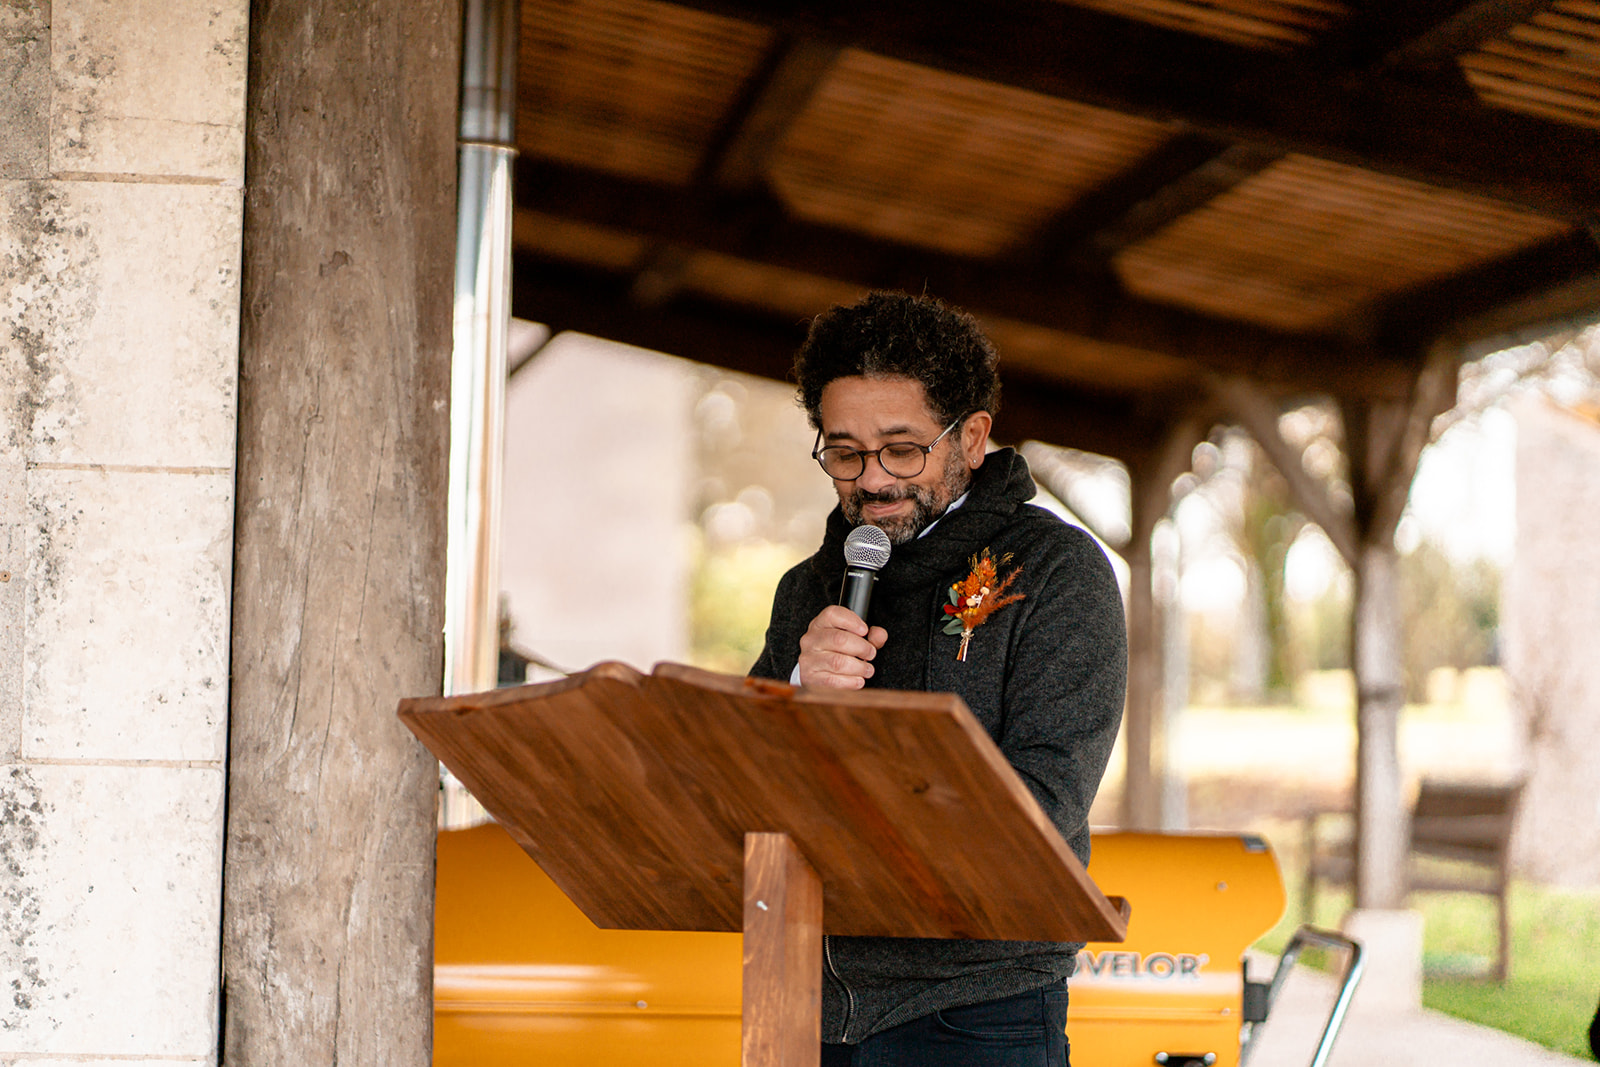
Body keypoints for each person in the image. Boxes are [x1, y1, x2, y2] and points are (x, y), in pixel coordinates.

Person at [750, 291, 1127, 1066]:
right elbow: (738, 782)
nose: (873, 478)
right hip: (804, 992)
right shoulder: (808, 588)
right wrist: (794, 692)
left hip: (977, 1005)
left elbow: (1046, 802)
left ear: (973, 437)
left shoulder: (1058, 573)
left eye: (902, 448)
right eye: (845, 451)